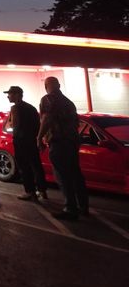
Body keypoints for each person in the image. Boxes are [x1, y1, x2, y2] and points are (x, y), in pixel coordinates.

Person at [38, 77, 88, 220]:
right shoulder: (68, 102)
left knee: (63, 176)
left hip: (59, 142)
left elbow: (47, 119)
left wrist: (39, 137)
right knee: (76, 174)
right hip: (72, 142)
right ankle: (83, 206)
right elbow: (76, 122)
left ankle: (70, 208)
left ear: (46, 86)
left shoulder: (48, 99)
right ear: (59, 86)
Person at [4, 86, 48, 201]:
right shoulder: (31, 108)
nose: (8, 96)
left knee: (24, 167)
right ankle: (42, 191)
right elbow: (38, 124)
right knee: (36, 165)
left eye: (10, 94)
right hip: (32, 140)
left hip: (20, 140)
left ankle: (30, 192)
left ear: (17, 95)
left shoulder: (15, 108)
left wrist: (10, 121)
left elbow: (14, 125)